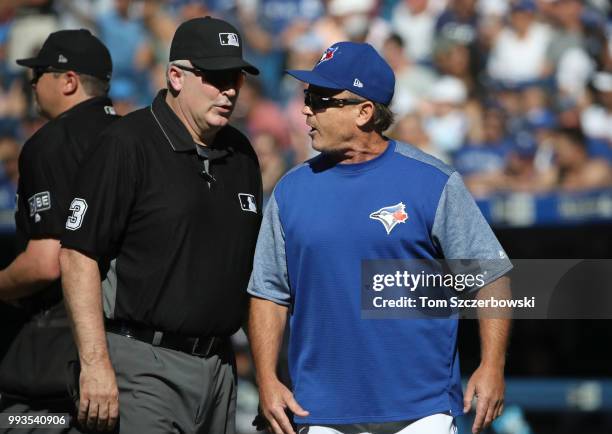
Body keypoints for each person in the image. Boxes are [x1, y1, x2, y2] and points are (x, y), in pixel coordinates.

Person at [247, 42, 513, 434]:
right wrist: (266, 380)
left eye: (321, 99)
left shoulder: (431, 181)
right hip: (319, 412)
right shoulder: (290, 191)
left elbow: (489, 276)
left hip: (421, 411)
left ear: (364, 111)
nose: (306, 109)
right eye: (308, 97)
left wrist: (492, 365)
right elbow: (269, 293)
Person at [59, 17, 262, 433]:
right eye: (216, 77)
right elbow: (77, 255)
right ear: (175, 76)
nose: (229, 90)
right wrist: (95, 365)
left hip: (220, 366)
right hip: (143, 362)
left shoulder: (242, 154)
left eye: (235, 78)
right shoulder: (127, 143)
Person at [0, 29, 117, 432]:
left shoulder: (51, 143)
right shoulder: (136, 136)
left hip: (58, 354)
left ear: (68, 81)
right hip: (127, 350)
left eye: (40, 75)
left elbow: (46, 262)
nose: (32, 85)